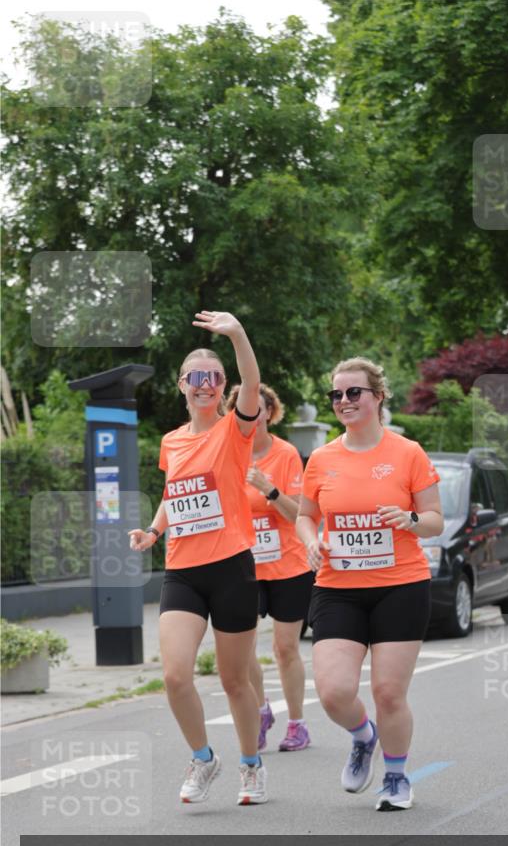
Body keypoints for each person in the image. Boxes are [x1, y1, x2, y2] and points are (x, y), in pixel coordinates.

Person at [129, 310, 268, 806]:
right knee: (174, 675)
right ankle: (204, 758)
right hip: (184, 571)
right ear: (182, 386)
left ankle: (251, 765)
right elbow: (175, 491)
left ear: (221, 385)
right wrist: (152, 530)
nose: (204, 385)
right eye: (195, 378)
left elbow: (252, 382)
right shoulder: (171, 441)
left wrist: (236, 334)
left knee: (234, 680)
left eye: (213, 378)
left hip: (232, 566)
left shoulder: (235, 430)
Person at [296, 357, 443, 811]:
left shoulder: (407, 453)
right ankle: (364, 737)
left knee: (387, 691)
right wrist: (311, 541)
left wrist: (411, 519)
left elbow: (436, 520)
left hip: (401, 584)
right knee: (334, 691)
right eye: (336, 395)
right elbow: (305, 516)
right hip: (338, 587)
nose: (344, 401)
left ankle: (397, 777)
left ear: (377, 397)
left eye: (353, 392)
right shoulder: (322, 459)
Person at [227, 383, 314, 752]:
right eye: (247, 409)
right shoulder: (229, 453)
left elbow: (301, 514)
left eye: (260, 409)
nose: (254, 415)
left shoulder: (286, 454)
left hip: (288, 564)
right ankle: (262, 711)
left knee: (284, 648)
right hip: (244, 566)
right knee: (242, 650)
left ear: (269, 412)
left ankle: (297, 724)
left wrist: (270, 490)